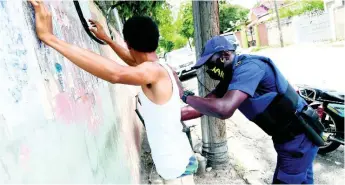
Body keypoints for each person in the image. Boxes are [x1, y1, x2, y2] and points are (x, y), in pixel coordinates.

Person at [29, 0, 197, 184]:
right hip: (180, 157)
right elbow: (132, 61)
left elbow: (116, 73)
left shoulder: (152, 72)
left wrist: (50, 38)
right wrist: (108, 40)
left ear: (128, 43)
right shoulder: (159, 68)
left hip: (174, 166)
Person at [180, 36, 324, 184]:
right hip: (288, 138)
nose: (210, 69)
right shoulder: (232, 76)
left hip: (298, 138)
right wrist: (170, 115)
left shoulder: (249, 67)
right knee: (304, 180)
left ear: (225, 55)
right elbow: (203, 105)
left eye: (210, 63)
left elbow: (224, 109)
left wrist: (184, 95)